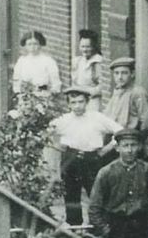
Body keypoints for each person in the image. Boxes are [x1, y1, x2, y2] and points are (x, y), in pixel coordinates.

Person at [49, 85, 123, 226]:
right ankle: (75, 228)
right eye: (73, 102)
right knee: (71, 196)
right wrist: (56, 146)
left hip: (92, 160)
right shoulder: (64, 119)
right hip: (70, 159)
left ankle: (98, 227)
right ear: (68, 104)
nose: (77, 106)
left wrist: (107, 148)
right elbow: (47, 131)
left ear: (87, 102)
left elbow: (120, 130)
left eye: (80, 102)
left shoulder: (96, 118)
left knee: (96, 195)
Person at [104, 57, 148, 131]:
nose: (120, 77)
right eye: (116, 73)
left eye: (124, 73)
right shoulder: (118, 91)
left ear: (132, 74)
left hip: (129, 136)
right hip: (115, 133)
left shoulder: (137, 93)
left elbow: (146, 119)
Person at [11, 30, 62, 97]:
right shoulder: (21, 61)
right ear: (25, 46)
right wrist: (18, 93)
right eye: (29, 44)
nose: (32, 47)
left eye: (35, 44)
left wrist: (51, 94)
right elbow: (16, 80)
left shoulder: (48, 61)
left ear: (40, 45)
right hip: (25, 96)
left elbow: (56, 82)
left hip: (43, 96)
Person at [71, 29, 104, 111]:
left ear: (94, 47)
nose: (85, 50)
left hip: (92, 100)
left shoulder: (97, 62)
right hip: (79, 99)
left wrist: (88, 91)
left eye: (88, 47)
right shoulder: (78, 61)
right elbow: (75, 81)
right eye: (82, 46)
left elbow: (102, 86)